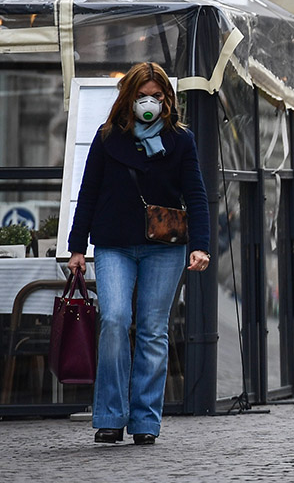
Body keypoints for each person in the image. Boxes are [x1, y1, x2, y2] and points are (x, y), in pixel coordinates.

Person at [66, 62, 211, 445]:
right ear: (128, 98)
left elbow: (196, 193)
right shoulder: (107, 137)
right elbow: (89, 191)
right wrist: (76, 247)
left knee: (152, 330)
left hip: (163, 247)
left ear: (167, 100)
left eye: (157, 97)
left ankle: (146, 421)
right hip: (114, 243)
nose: (149, 103)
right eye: (142, 96)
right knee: (114, 319)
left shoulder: (181, 140)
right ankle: (111, 416)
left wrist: (201, 245)